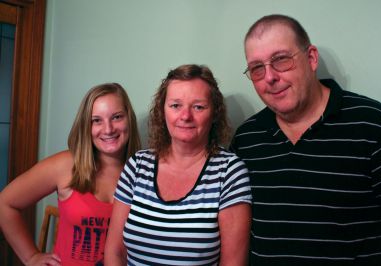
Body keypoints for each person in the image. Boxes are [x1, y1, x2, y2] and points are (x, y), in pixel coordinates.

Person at [230, 14, 381, 266]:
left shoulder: (374, 125)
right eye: (257, 68)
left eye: (281, 60)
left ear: (311, 58)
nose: (269, 77)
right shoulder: (247, 139)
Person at [105, 64, 252, 266]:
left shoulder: (229, 172)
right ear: (162, 111)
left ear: (214, 114)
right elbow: (115, 252)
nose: (185, 116)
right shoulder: (137, 166)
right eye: (176, 105)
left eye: (198, 107)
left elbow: (232, 263)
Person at [0, 83, 141, 266]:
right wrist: (30, 257)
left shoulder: (144, 171)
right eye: (96, 120)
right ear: (86, 126)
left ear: (129, 119)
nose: (108, 129)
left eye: (116, 117)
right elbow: (5, 203)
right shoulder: (65, 165)